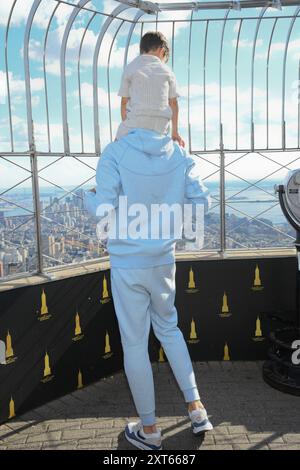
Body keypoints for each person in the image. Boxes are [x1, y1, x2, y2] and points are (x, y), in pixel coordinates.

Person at [84, 126, 213, 450]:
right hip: (163, 260)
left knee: (135, 345)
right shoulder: (177, 152)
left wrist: (87, 196)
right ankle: (196, 409)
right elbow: (202, 201)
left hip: (128, 264)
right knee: (170, 329)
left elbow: (103, 210)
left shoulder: (116, 152)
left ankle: (150, 429)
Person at [115, 31, 185, 148]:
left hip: (135, 125)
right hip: (160, 128)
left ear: (142, 49)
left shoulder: (130, 67)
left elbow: (124, 102)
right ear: (162, 51)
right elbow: (173, 103)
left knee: (114, 149)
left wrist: (126, 127)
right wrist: (175, 132)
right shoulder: (168, 71)